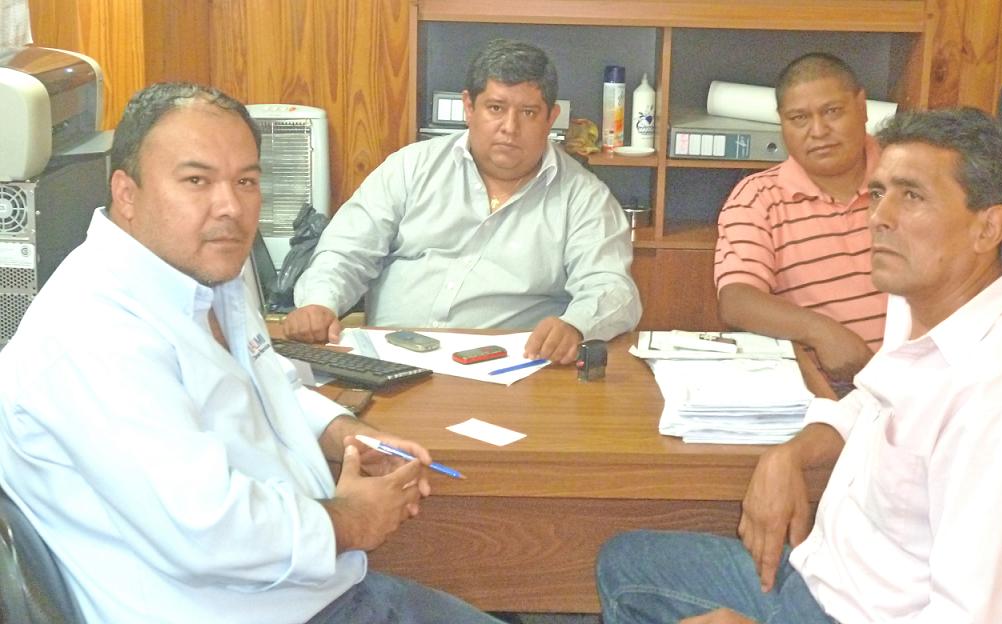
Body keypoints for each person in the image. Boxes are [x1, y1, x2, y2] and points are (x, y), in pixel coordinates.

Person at [0, 82, 505, 624]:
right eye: (197, 180)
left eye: (246, 181)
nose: (231, 207)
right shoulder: (94, 332)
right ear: (127, 193)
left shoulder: (203, 270)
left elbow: (267, 382)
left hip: (311, 591)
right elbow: (210, 533)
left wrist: (341, 433)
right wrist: (354, 520)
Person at [596, 108, 1002, 623]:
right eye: (879, 192)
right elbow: (878, 399)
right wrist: (792, 453)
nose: (878, 217)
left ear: (988, 227)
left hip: (857, 613)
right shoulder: (934, 296)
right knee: (625, 563)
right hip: (830, 576)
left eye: (912, 196)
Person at [285, 39, 641, 364]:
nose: (510, 127)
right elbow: (346, 252)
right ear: (468, 107)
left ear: (551, 119)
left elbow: (612, 288)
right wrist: (320, 303)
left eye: (528, 113)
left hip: (507, 372)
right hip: (389, 362)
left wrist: (576, 325)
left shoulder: (584, 197)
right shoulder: (411, 167)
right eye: (496, 108)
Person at [714, 53, 886, 397]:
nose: (818, 131)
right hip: (821, 395)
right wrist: (821, 332)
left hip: (927, 390)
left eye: (832, 111)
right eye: (799, 118)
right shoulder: (757, 197)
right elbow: (736, 300)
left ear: (863, 107)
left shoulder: (907, 180)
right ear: (781, 122)